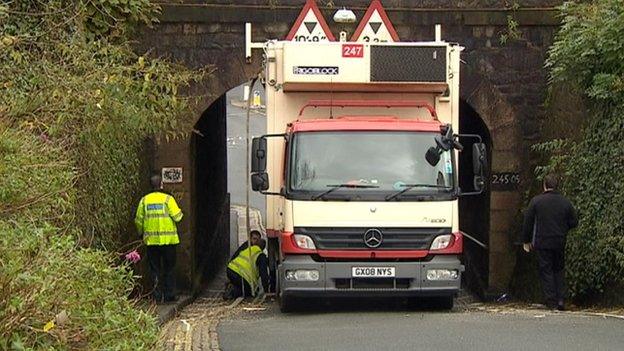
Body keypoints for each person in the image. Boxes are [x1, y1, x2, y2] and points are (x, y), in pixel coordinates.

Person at [522, 174, 578, 310]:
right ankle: (561, 300)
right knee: (559, 269)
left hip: (542, 241)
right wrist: (564, 229)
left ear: (544, 185)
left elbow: (528, 222)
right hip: (559, 240)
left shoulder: (536, 201)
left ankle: (551, 301)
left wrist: (526, 240)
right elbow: (574, 222)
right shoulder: (565, 202)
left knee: (546, 270)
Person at [135, 174, 183, 303]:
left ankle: (156, 296)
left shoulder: (144, 200)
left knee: (155, 269)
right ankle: (169, 295)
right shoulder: (168, 199)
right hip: (168, 242)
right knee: (169, 268)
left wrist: (141, 234)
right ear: (161, 184)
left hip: (152, 242)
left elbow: (138, 220)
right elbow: (178, 217)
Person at [225, 231, 269, 299]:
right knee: (248, 292)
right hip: (241, 274)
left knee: (243, 285)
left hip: (230, 270)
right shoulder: (260, 255)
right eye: (254, 239)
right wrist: (266, 290)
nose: (255, 241)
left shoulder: (248, 249)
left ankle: (232, 286)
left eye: (257, 239)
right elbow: (264, 274)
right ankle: (232, 292)